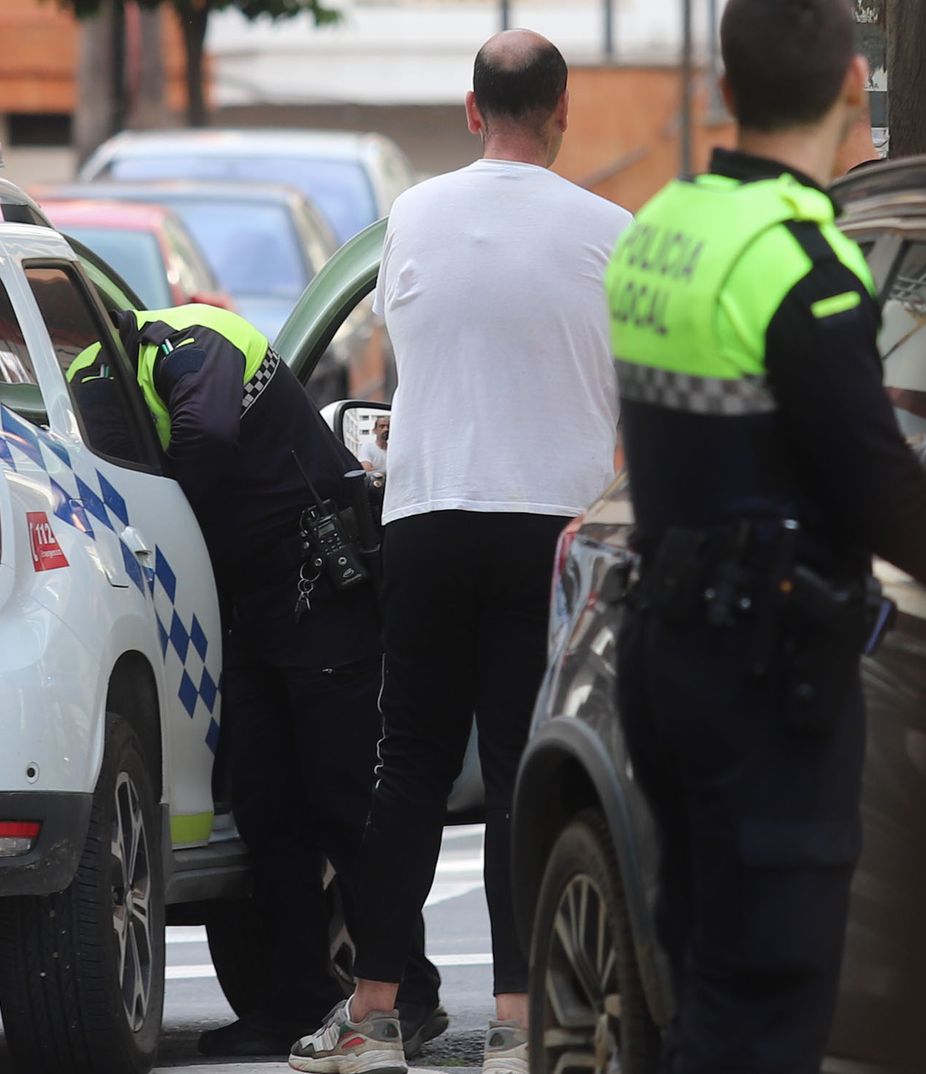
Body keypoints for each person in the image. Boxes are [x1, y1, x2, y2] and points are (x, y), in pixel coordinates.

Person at [607, 1, 926, 1070]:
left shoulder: (661, 232)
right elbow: (880, 493)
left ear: (725, 85)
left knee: (707, 974)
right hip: (768, 675)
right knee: (768, 1003)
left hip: (666, 652)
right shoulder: (804, 268)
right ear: (855, 84)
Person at [292, 30, 631, 1074]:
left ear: (472, 111)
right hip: (552, 530)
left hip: (429, 520)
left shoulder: (410, 217)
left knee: (408, 771)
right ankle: (522, 1022)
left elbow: (403, 337)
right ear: (564, 111)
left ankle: (372, 1015)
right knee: (529, 776)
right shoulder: (613, 232)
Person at [70, 305, 448, 1059]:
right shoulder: (95, 371)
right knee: (270, 809)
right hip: (249, 608)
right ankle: (295, 999)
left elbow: (203, 438)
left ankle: (410, 993)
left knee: (345, 799)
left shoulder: (194, 342)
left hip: (320, 591)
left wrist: (166, 514)